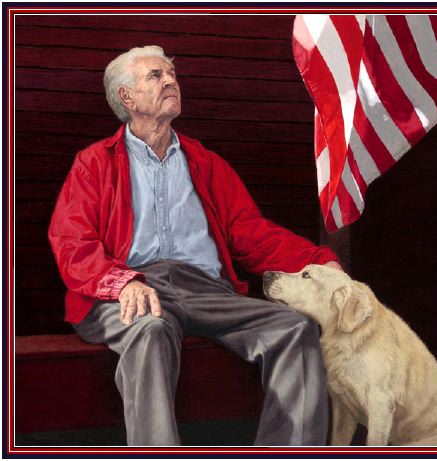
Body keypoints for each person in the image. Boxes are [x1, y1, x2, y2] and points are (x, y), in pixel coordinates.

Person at [48, 45, 342, 446]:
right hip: (131, 290)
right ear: (127, 98)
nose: (171, 80)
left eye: (172, 74)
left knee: (294, 328)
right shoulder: (94, 163)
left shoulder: (205, 162)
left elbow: (251, 234)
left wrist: (318, 261)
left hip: (206, 290)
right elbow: (71, 242)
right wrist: (122, 283)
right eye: (156, 75)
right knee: (150, 331)